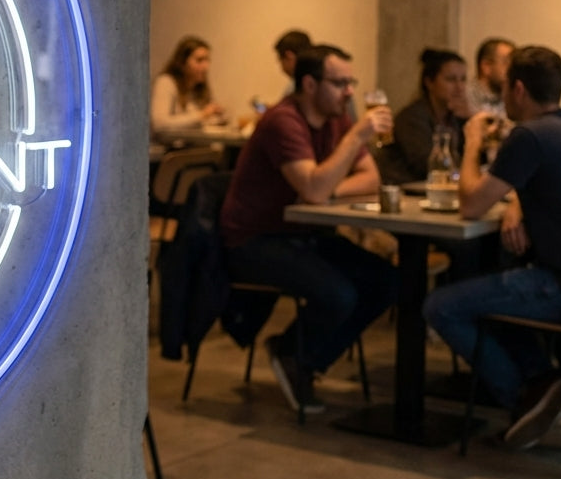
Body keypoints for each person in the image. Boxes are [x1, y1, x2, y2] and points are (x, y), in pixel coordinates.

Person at [424, 46, 561, 450]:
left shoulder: (530, 135)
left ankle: (524, 395)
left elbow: (471, 204)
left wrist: (472, 141)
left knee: (439, 306)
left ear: (517, 89)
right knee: (490, 287)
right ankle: (545, 382)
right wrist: (519, 202)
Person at [219, 44, 397, 414]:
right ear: (310, 85)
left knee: (388, 281)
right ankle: (292, 354)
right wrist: (354, 140)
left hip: (304, 233)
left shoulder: (335, 118)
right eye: (340, 83)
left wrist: (327, 188)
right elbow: (313, 189)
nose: (349, 91)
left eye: (351, 82)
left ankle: (303, 358)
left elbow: (369, 179)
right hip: (254, 239)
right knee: (339, 294)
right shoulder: (283, 121)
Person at [377, 48, 469, 185]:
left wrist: (472, 120)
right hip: (405, 189)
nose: (459, 87)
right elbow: (428, 165)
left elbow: (478, 161)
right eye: (451, 80)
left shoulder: (457, 117)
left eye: (463, 79)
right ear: (429, 82)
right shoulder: (411, 118)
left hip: (438, 188)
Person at [150, 35, 225, 139]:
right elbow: (159, 124)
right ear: (182, 62)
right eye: (199, 60)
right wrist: (201, 115)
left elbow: (203, 123)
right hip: (169, 147)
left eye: (207, 60)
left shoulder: (199, 88)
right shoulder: (166, 82)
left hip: (194, 144)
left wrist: (217, 116)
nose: (205, 67)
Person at [465, 37, 514, 118]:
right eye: (506, 62)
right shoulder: (465, 97)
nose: (512, 69)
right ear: (486, 66)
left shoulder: (510, 97)